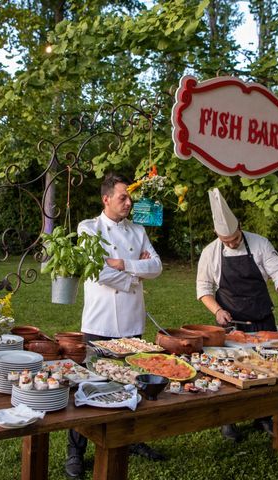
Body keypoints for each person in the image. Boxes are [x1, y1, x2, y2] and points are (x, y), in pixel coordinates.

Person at [65, 173, 164, 479]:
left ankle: (130, 439)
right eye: (123, 197)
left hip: (132, 320)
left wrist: (123, 264)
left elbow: (157, 267)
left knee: (131, 381)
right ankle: (75, 452)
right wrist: (137, 274)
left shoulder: (138, 230)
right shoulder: (88, 228)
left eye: (129, 197)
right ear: (106, 199)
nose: (129, 202)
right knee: (88, 385)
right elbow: (97, 273)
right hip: (100, 320)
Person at [196, 187, 278, 442]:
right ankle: (229, 420)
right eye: (225, 240)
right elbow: (203, 289)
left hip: (263, 319)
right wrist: (217, 310)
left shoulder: (260, 243)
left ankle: (263, 416)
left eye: (234, 239)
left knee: (269, 370)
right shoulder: (210, 252)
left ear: (240, 227)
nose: (230, 243)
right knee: (231, 372)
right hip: (232, 324)